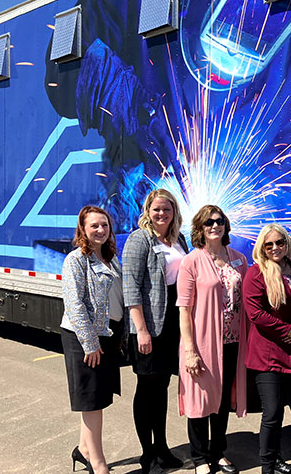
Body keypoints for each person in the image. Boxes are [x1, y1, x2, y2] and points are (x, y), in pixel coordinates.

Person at [176, 205, 249, 474]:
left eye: (219, 221)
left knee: (220, 402)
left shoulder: (238, 258)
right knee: (200, 400)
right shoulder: (191, 261)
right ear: (200, 228)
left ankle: (218, 452)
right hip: (202, 344)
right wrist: (190, 351)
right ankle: (199, 458)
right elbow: (184, 308)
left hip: (232, 343)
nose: (214, 226)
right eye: (208, 222)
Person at [122, 189, 188, 473]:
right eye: (156, 209)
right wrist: (142, 331)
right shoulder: (140, 240)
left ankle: (161, 447)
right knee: (146, 386)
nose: (161, 214)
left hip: (172, 322)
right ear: (147, 211)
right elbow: (131, 288)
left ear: (174, 212)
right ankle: (147, 452)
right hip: (149, 325)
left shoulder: (178, 239)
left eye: (167, 209)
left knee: (162, 387)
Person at [61, 206, 124, 474]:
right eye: (94, 226)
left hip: (108, 335)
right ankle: (98, 464)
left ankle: (83, 449)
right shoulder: (76, 260)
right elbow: (74, 304)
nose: (100, 230)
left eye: (104, 225)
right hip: (84, 337)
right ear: (83, 229)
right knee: (92, 402)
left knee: (97, 397)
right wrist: (89, 343)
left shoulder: (111, 258)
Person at [243, 224, 291, 474]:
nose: (275, 248)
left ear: (286, 243)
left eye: (279, 242)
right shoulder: (256, 273)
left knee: (281, 411)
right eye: (269, 244)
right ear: (262, 247)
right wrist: (287, 330)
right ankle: (267, 467)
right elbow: (255, 313)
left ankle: (277, 460)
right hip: (267, 353)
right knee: (271, 413)